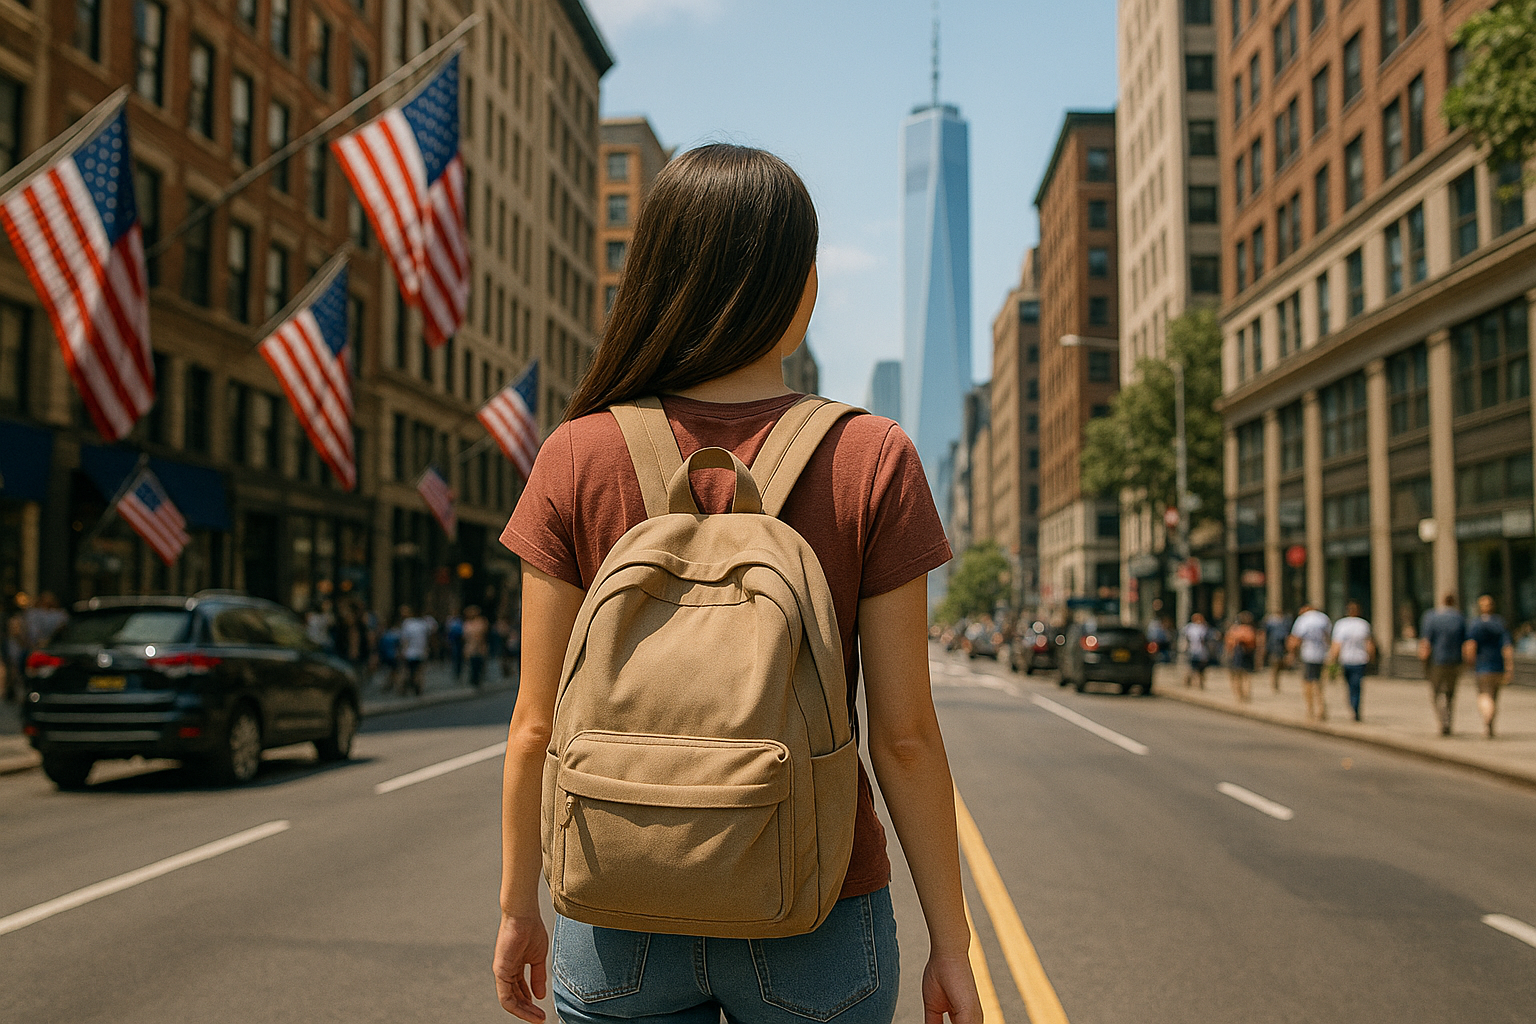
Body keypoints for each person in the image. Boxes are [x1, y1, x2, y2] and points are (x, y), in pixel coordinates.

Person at [492, 145, 980, 1024]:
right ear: (798, 286)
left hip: (614, 906)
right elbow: (904, 738)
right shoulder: (871, 458)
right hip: (818, 907)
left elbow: (534, 724)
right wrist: (952, 942)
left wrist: (516, 906)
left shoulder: (576, 454)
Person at [1464, 594, 1514, 739]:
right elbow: (1507, 647)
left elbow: (1470, 645)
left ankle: (1487, 717)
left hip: (1483, 666)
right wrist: (1509, 667)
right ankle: (1490, 727)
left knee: (1484, 695)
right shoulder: (1500, 623)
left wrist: (1469, 663)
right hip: (1498, 666)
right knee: (1495, 696)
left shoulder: (1476, 624)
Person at [1419, 593, 1467, 736]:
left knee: (1436, 692)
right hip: (1455, 661)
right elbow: (1466, 643)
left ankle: (1442, 720)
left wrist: (1424, 663)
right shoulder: (1459, 618)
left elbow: (1425, 643)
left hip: (1437, 661)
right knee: (1450, 693)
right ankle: (1449, 720)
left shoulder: (1432, 617)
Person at [1329, 601, 1375, 722]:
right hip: (1360, 660)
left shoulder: (1341, 624)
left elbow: (1336, 644)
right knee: (1357, 685)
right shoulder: (1363, 624)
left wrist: (1332, 659)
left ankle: (1353, 705)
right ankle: (1355, 707)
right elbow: (1369, 643)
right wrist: (1372, 658)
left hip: (1347, 660)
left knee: (1350, 685)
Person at [1289, 603, 1332, 722]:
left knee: (1307, 683)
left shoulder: (1304, 619)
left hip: (1308, 654)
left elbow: (1296, 639)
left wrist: (1292, 654)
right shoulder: (1324, 618)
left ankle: (1310, 709)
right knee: (1319, 683)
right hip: (1321, 654)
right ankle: (1322, 708)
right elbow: (1328, 637)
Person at [397, 606, 436, 696]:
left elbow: (404, 640)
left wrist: (402, 651)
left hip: (409, 652)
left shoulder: (407, 624)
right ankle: (418, 689)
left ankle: (402, 689)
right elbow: (428, 637)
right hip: (420, 652)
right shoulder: (423, 624)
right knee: (419, 672)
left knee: (406, 671)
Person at [1224, 611, 1258, 702]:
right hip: (1246, 654)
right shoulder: (1250, 630)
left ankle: (1240, 695)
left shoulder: (1235, 630)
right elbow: (1253, 642)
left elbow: (1229, 643)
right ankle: (1245, 694)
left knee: (1238, 676)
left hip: (1238, 654)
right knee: (1245, 675)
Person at [1262, 609, 1294, 692]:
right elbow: (1266, 634)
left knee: (1280, 665)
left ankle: (1276, 681)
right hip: (1274, 646)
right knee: (1275, 664)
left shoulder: (1286, 622)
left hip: (1282, 647)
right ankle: (1274, 682)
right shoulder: (1270, 623)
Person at [1182, 612, 1214, 689]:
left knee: (1202, 668)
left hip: (1202, 651)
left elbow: (1210, 637)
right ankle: (1188, 680)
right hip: (1193, 650)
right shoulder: (1190, 627)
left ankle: (1201, 683)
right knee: (1192, 667)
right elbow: (1186, 637)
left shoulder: (1204, 627)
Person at [461, 605, 490, 689]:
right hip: (470, 646)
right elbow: (464, 635)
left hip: (479, 646)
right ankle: (474, 679)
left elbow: (483, 635)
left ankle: (477, 679)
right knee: (472, 664)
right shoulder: (467, 623)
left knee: (478, 663)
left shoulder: (481, 622)